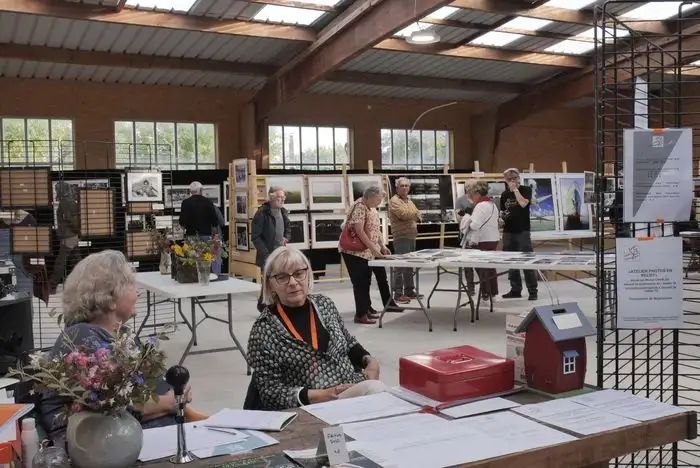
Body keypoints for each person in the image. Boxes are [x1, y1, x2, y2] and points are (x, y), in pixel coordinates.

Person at [39, 250, 195, 440]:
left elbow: (154, 390)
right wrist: (169, 402)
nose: (138, 292)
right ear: (111, 297)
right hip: (97, 447)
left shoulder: (124, 335)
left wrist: (177, 396)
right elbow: (113, 405)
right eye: (131, 284)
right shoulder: (80, 336)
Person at [247, 247, 386, 410]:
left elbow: (348, 342)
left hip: (349, 390)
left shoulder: (324, 304)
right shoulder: (264, 330)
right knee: (376, 391)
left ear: (308, 275)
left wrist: (370, 361)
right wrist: (321, 394)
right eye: (282, 277)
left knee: (384, 397)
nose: (293, 283)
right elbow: (271, 393)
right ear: (270, 284)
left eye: (299, 274)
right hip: (308, 407)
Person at [339, 186, 394, 325]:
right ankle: (360, 315)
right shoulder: (360, 207)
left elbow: (375, 229)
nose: (379, 202)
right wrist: (374, 250)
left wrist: (381, 246)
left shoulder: (371, 208)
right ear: (369, 196)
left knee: (365, 281)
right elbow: (359, 231)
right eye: (377, 199)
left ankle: (366, 310)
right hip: (354, 252)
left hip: (366, 252)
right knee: (360, 283)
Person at [251, 186, 291, 312]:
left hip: (280, 252)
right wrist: (266, 254)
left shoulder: (283, 211)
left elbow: (288, 228)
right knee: (269, 281)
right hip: (267, 254)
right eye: (279, 197)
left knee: (280, 280)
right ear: (271, 197)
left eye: (283, 197)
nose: (282, 200)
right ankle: (263, 305)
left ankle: (276, 305)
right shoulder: (262, 213)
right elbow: (255, 237)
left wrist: (286, 237)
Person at [500, 168, 538, 301]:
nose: (512, 181)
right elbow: (503, 212)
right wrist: (500, 220)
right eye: (509, 179)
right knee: (511, 260)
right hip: (508, 231)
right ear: (505, 180)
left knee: (527, 260)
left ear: (518, 179)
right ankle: (515, 289)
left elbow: (523, 204)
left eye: (514, 178)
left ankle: (533, 290)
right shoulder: (504, 195)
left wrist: (515, 190)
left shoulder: (526, 190)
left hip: (522, 230)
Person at [462, 181, 501, 300]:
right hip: (493, 238)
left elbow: (475, 225)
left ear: (477, 193)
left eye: (471, 193)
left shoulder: (480, 206)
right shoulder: (492, 204)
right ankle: (493, 292)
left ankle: (486, 293)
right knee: (490, 267)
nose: (470, 196)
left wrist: (467, 219)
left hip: (482, 240)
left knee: (483, 268)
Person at [388, 177, 421, 303]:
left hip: (411, 236)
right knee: (400, 266)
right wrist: (413, 213)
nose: (405, 188)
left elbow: (417, 214)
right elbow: (404, 214)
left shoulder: (408, 200)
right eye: (402, 186)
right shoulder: (394, 201)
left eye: (407, 185)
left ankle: (409, 290)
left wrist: (413, 213)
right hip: (401, 237)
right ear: (397, 188)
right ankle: (398, 293)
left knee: (409, 265)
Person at [179, 181, 223, 273]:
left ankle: (193, 276)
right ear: (201, 190)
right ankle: (206, 275)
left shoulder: (186, 203)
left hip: (191, 234)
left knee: (192, 259)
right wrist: (215, 235)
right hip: (206, 235)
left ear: (190, 191)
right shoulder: (208, 202)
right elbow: (214, 221)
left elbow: (182, 221)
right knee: (206, 258)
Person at [50, 182, 81, 293]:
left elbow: (70, 220)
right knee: (76, 262)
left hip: (68, 237)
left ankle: (52, 286)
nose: (56, 191)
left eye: (57, 189)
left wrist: (77, 230)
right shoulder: (69, 201)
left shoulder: (65, 202)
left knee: (61, 263)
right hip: (71, 236)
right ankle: (80, 285)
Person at [455, 179, 477, 296]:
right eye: (472, 187)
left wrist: (468, 215)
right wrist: (470, 217)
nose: (474, 189)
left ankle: (485, 288)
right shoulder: (460, 200)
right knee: (468, 263)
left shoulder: (479, 199)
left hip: (479, 234)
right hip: (466, 235)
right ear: (467, 188)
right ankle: (471, 287)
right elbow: (458, 217)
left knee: (480, 262)